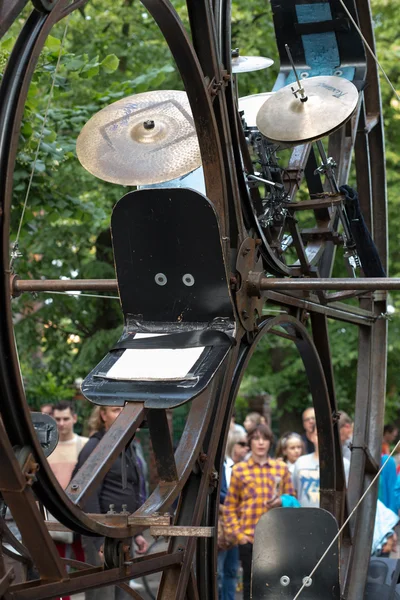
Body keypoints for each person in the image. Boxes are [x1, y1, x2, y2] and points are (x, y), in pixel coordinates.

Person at [74, 405, 148, 600]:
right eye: (116, 410)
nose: (123, 415)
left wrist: (137, 532)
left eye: (126, 410)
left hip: (123, 534)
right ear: (103, 415)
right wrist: (99, 542)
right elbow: (86, 498)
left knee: (122, 593)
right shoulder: (95, 447)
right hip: (100, 535)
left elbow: (133, 490)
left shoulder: (127, 445)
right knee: (102, 594)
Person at [224, 424, 295, 600]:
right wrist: (238, 535)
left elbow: (292, 498)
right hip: (250, 537)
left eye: (265, 439)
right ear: (250, 442)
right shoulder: (240, 470)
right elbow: (230, 506)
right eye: (256, 438)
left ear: (270, 442)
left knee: (277, 586)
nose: (261, 443)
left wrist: (281, 501)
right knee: (250, 586)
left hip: (277, 538)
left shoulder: (281, 468)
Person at [47, 401, 88, 600]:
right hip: (55, 511)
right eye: (57, 419)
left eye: (65, 418)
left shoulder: (85, 445)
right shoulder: (45, 449)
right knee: (57, 560)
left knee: (83, 558)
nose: (61, 423)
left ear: (74, 418)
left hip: (81, 511)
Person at [217, 431, 249, 600]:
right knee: (219, 571)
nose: (247, 448)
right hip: (223, 525)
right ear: (231, 445)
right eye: (242, 444)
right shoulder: (222, 467)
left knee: (231, 570)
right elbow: (218, 494)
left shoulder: (246, 468)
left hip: (238, 525)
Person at [292, 430, 349, 508]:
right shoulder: (300, 462)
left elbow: (347, 493)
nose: (323, 438)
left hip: (331, 515)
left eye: (327, 435)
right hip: (303, 515)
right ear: (311, 437)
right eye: (318, 434)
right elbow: (294, 491)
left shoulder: (343, 464)